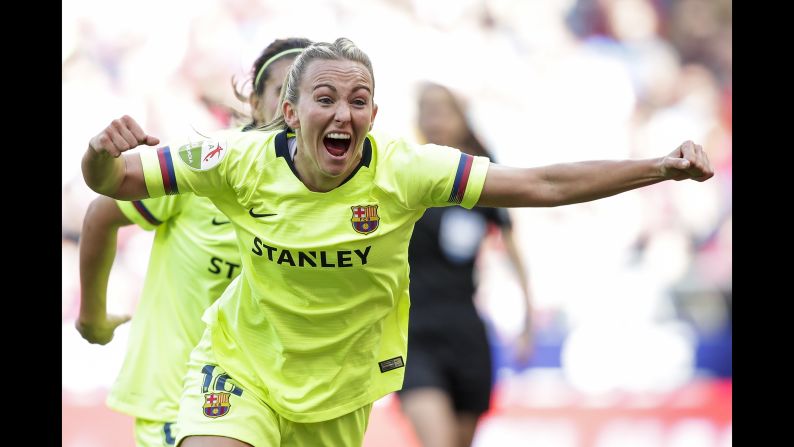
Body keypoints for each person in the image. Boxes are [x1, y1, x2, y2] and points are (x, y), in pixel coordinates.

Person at [80, 38, 713, 447]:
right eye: (324, 98)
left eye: (359, 101)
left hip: (338, 389)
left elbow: (542, 184)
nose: (343, 113)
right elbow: (114, 185)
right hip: (240, 369)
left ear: (374, 118)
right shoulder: (235, 160)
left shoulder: (407, 170)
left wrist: (656, 167)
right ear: (292, 113)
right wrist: (98, 154)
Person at [75, 37, 312, 447]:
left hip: (270, 409)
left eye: (314, 96)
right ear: (255, 104)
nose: (298, 109)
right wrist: (92, 317)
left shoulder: (333, 188)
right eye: (284, 93)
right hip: (178, 403)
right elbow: (101, 212)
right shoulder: (210, 160)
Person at [398, 82, 534, 447]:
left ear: (461, 118)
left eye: (443, 110)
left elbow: (514, 251)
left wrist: (527, 321)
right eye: (426, 110)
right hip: (413, 334)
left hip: (465, 332)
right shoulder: (405, 174)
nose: (434, 119)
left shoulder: (481, 182)